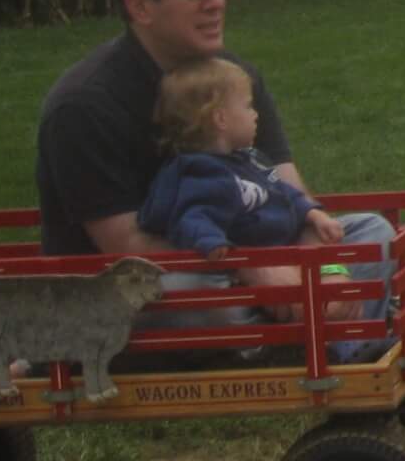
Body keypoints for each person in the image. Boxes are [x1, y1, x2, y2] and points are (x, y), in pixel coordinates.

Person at [36, 0, 392, 334]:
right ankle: (294, 354)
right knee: (201, 294)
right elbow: (128, 247)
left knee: (373, 232)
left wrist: (326, 268)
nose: (217, 3)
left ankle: (319, 347)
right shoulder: (85, 106)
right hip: (134, 287)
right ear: (139, 6)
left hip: (250, 254)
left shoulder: (233, 78)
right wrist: (253, 270)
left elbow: (287, 186)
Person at [141, 58, 390, 360]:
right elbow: (191, 217)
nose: (256, 115)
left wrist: (311, 213)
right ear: (221, 119)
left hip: (289, 252)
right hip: (255, 276)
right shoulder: (201, 176)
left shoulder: (246, 160)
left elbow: (280, 192)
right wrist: (216, 246)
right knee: (221, 297)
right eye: (247, 107)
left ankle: (342, 335)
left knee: (374, 229)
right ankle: (333, 345)